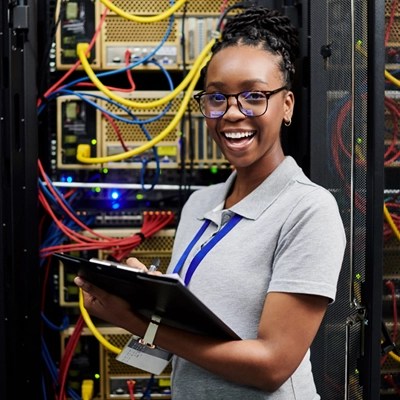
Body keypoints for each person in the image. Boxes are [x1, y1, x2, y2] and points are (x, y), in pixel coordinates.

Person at [74, 6, 346, 399]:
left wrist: (139, 324)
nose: (232, 113)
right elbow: (191, 334)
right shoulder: (201, 203)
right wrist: (143, 299)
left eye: (254, 96)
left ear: (287, 105)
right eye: (217, 97)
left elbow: (272, 365)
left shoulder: (308, 210)